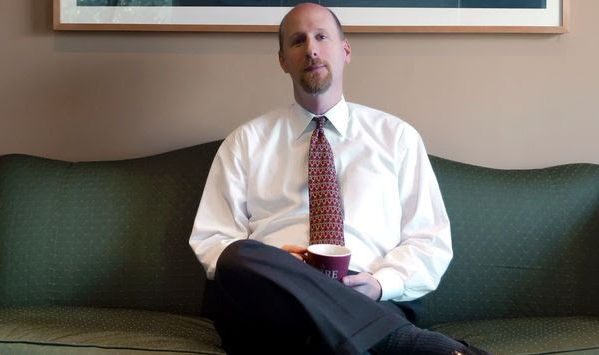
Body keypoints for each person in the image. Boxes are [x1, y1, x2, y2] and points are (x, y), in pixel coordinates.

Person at [189, 3, 488, 354]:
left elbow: (430, 241)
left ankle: (357, 329)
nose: (311, 49)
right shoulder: (246, 142)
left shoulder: (397, 137)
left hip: (371, 300)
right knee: (237, 256)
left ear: (345, 50)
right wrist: (285, 270)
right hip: (268, 302)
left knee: (323, 336)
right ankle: (404, 343)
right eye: (298, 41)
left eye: (321, 37)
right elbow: (212, 240)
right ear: (283, 60)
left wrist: (379, 284)